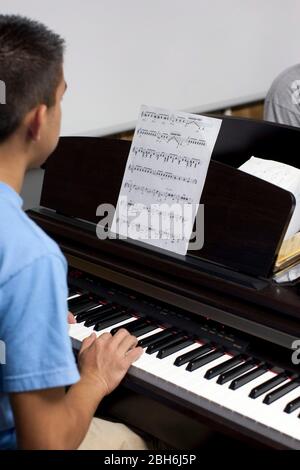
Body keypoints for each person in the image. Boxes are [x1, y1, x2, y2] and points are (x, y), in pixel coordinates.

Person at [0, 14, 147, 450]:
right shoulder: (29, 255)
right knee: (138, 448)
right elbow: (47, 445)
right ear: (38, 119)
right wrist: (95, 378)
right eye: (62, 99)